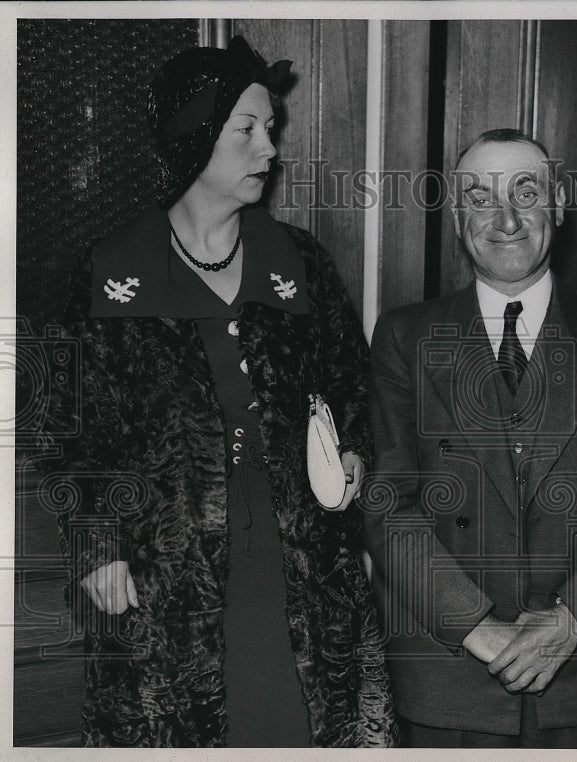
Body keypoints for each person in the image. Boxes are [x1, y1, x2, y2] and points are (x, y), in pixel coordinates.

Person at [50, 36, 396, 747]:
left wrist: (356, 451)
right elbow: (68, 431)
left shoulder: (298, 262)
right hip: (167, 575)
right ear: (193, 137)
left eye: (269, 129)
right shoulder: (110, 271)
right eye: (247, 129)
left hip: (300, 563)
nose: (268, 149)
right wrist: (97, 546)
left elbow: (351, 385)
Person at [364, 128, 577, 748]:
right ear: (458, 217)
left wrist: (570, 622)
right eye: (480, 198)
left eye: (525, 192)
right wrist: (476, 627)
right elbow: (388, 504)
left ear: (557, 206)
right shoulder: (404, 337)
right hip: (451, 675)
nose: (504, 218)